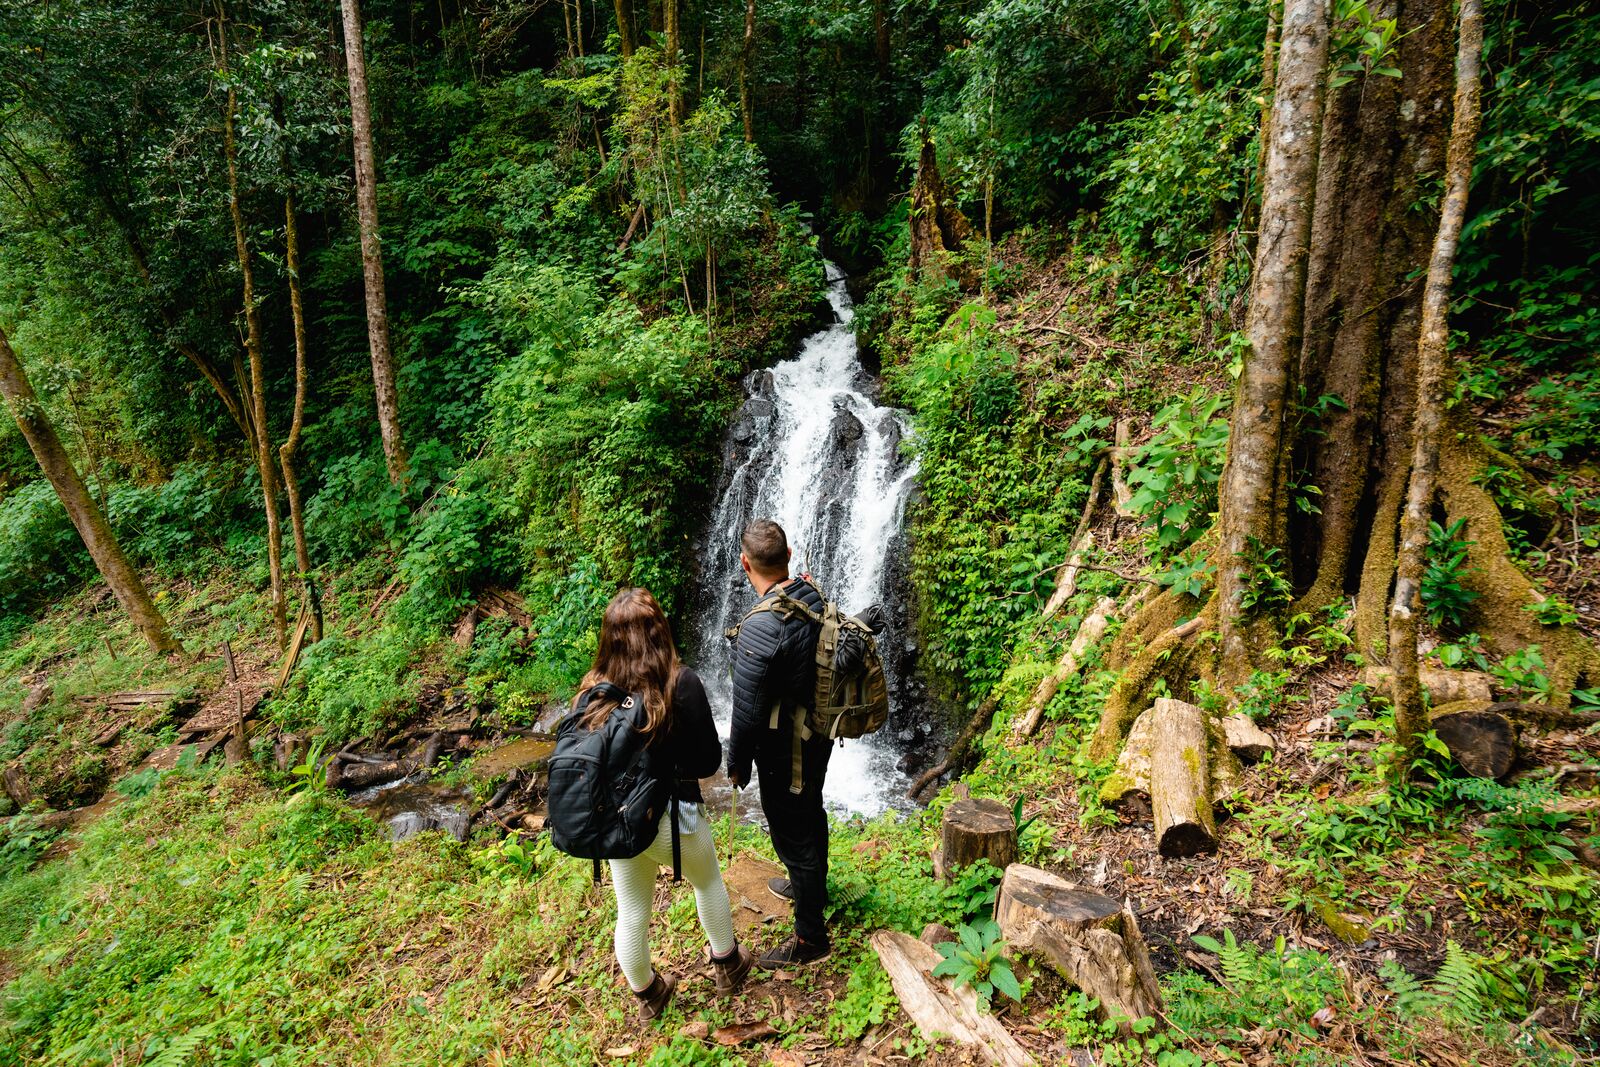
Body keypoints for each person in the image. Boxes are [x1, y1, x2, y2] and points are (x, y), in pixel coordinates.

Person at [577, 587, 754, 1019]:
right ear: (659, 630)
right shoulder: (680, 682)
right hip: (674, 819)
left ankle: (648, 995)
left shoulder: (593, 690)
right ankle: (728, 965)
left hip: (619, 821)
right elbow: (708, 761)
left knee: (632, 909)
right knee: (708, 881)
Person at [726, 518, 833, 967]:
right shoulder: (809, 593)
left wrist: (736, 763)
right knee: (809, 812)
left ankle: (810, 940)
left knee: (793, 831)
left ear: (746, 563)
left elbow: (747, 711)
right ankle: (811, 888)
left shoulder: (761, 626)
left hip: (786, 748)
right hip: (816, 734)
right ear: (789, 557)